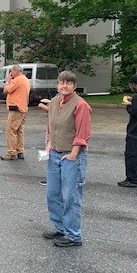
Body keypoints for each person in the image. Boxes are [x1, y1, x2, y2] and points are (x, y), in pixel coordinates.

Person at [43, 70, 91, 248]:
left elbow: (82, 132)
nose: (64, 86)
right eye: (62, 82)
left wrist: (73, 153)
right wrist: (49, 145)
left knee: (70, 196)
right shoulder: (55, 102)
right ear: (57, 85)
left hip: (72, 156)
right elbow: (50, 126)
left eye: (68, 83)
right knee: (53, 194)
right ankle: (61, 228)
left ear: (74, 86)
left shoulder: (81, 105)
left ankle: (73, 235)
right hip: (54, 153)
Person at [0, 64, 31, 160]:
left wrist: (8, 81)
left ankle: (11, 153)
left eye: (11, 71)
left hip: (16, 108)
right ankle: (20, 151)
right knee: (19, 131)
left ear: (16, 71)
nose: (10, 73)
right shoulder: (25, 79)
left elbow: (6, 90)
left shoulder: (17, 80)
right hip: (23, 108)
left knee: (11, 130)